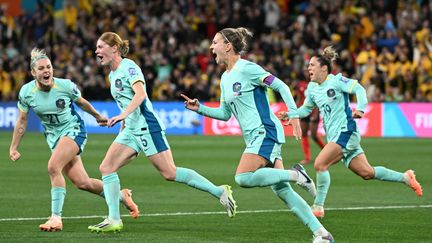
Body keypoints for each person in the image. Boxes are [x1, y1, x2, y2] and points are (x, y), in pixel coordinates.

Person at [182, 27, 334, 243]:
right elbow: (225, 114)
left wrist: (294, 115)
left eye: (215, 42)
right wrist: (200, 109)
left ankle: (297, 175)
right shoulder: (225, 78)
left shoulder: (248, 68)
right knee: (283, 192)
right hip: (257, 135)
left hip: (264, 131)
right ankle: (322, 234)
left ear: (228, 46)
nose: (211, 47)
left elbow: (281, 86)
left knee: (242, 178)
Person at [88, 32, 237, 233]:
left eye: (100, 47)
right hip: (131, 129)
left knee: (170, 173)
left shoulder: (129, 67)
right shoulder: (112, 74)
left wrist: (122, 115)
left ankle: (219, 191)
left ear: (113, 48)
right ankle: (114, 218)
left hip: (147, 127)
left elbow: (140, 95)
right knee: (106, 167)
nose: (96, 51)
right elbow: (126, 100)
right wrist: (123, 124)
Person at [279, 46, 423, 218]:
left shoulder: (337, 81)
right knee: (367, 173)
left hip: (346, 131)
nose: (308, 68)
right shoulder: (312, 88)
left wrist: (361, 109)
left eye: (312, 65)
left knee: (320, 164)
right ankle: (405, 177)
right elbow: (306, 109)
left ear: (323, 68)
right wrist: (291, 114)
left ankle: (318, 206)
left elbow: (360, 89)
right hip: (335, 136)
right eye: (308, 65)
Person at [9, 48, 139, 232]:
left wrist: (96, 116)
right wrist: (14, 147)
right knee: (82, 182)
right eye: (41, 68)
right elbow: (22, 120)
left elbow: (81, 102)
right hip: (54, 137)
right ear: (33, 73)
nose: (46, 71)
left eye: (49, 67)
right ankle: (121, 196)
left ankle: (55, 218)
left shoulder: (65, 86)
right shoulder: (26, 92)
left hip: (73, 130)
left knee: (53, 167)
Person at [296, 70, 325, 164]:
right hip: (303, 111)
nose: (307, 73)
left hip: (313, 112)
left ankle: (327, 151)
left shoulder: (316, 84)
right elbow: (299, 98)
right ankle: (307, 158)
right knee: (303, 134)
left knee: (314, 135)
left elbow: (318, 100)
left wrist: (316, 113)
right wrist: (295, 111)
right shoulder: (300, 84)